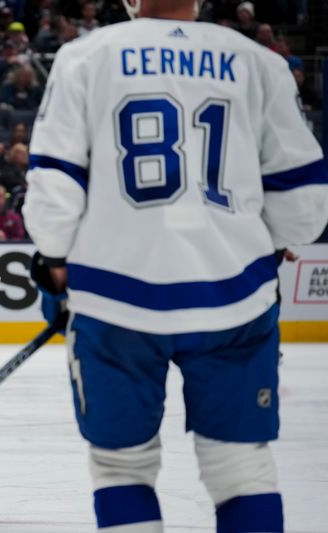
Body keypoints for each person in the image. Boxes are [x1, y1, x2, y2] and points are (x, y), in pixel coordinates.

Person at [23, 0, 328, 531]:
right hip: (235, 298)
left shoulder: (84, 56)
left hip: (116, 301)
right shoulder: (259, 60)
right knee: (241, 468)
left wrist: (56, 264)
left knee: (122, 467)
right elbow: (304, 203)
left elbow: (54, 189)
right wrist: (262, 244)